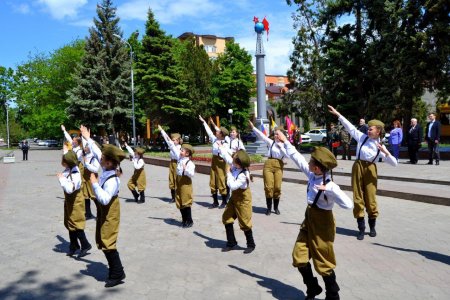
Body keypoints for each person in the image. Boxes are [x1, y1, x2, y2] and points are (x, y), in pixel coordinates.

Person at [278, 130, 352, 300]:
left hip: (323, 225)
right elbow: (297, 158)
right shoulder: (312, 175)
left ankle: (333, 295)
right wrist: (285, 141)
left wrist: (331, 189)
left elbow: (348, 205)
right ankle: (313, 287)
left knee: (324, 263)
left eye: (311, 161)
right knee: (299, 257)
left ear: (317, 166)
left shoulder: (329, 184)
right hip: (308, 220)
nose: (308, 162)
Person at [328, 105, 397, 240]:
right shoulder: (362, 137)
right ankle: (361, 228)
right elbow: (350, 127)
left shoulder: (380, 146)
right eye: (369, 128)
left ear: (378, 132)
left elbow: (394, 163)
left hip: (371, 169)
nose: (368, 130)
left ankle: (372, 227)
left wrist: (386, 152)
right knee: (358, 197)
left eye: (371, 129)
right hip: (358, 167)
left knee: (370, 198)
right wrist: (338, 114)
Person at [80, 125, 126, 288]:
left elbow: (105, 199)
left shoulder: (113, 179)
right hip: (104, 212)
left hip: (110, 212)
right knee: (103, 240)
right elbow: (98, 151)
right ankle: (116, 271)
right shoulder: (107, 167)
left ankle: (117, 273)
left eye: (102, 159)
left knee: (108, 241)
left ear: (108, 162)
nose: (99, 159)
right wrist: (87, 137)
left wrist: (94, 184)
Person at [219, 145, 255, 254]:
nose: (232, 159)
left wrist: (228, 173)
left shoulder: (244, 174)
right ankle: (231, 242)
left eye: (234, 158)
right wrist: (221, 147)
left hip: (243, 199)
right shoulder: (236, 166)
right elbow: (226, 156)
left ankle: (251, 244)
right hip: (234, 198)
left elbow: (233, 186)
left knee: (244, 221)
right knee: (226, 217)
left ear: (239, 163)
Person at [57, 147, 92, 258]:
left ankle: (85, 244)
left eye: (63, 160)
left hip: (76, 202)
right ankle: (74, 245)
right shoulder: (69, 169)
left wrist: (62, 179)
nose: (62, 162)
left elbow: (69, 189)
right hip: (69, 201)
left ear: (68, 162)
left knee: (76, 223)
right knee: (69, 222)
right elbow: (68, 154)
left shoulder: (76, 173)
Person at [249, 120, 287, 216]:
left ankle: (276, 208)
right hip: (268, 165)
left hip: (279, 165)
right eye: (275, 134)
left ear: (282, 135)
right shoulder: (271, 143)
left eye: (277, 134)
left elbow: (288, 155)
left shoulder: (286, 145)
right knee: (268, 187)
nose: (275, 136)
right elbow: (262, 136)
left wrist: (281, 146)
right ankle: (269, 208)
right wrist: (253, 127)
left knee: (277, 187)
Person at [199, 115, 229, 208]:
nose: (216, 132)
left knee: (221, 180)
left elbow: (226, 154)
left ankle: (224, 201)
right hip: (214, 160)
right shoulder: (214, 140)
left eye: (218, 132)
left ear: (222, 134)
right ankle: (215, 202)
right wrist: (204, 122)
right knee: (213, 181)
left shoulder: (226, 143)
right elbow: (208, 131)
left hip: (221, 162)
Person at [159, 129, 183, 203]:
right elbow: (166, 138)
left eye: (175, 140)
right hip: (172, 163)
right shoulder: (172, 145)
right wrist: (162, 131)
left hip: (177, 163)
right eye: (172, 140)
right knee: (171, 179)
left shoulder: (180, 148)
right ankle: (173, 197)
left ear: (179, 140)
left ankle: (178, 196)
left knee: (177, 179)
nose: (173, 141)